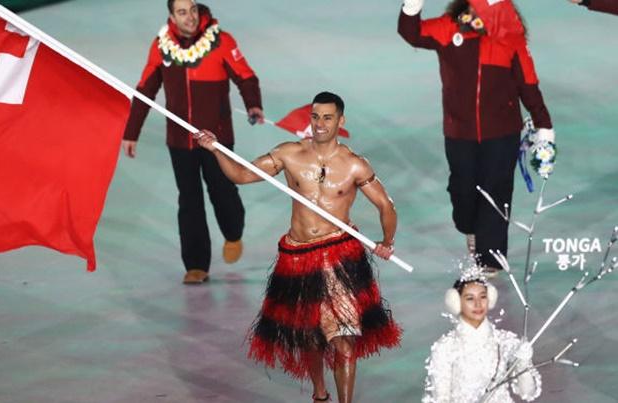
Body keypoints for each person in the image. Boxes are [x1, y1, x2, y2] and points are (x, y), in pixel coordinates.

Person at [195, 92, 402, 403]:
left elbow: (386, 205)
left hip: (340, 257)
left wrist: (387, 243)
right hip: (297, 257)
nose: (320, 124)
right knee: (309, 336)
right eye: (315, 117)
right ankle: (320, 394)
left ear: (340, 121)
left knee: (344, 337)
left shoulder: (355, 165)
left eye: (328, 118)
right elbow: (241, 174)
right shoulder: (290, 154)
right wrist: (215, 150)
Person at [398, 0, 555, 274]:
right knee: (462, 189)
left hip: (503, 131)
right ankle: (470, 228)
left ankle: (491, 258)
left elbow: (528, 83)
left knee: (497, 190)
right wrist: (411, 6)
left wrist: (543, 124)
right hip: (460, 131)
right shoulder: (449, 28)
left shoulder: (510, 35)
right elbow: (412, 33)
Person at [122, 0, 265, 284]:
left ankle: (233, 233)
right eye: (182, 12)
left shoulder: (221, 41)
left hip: (217, 139)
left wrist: (253, 105)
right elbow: (145, 88)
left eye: (193, 10)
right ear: (172, 16)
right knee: (189, 201)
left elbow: (246, 76)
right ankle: (196, 265)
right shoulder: (161, 46)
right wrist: (131, 132)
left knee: (223, 192)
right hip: (179, 140)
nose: (189, 17)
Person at [422, 266, 541, 402]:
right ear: (456, 302)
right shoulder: (445, 347)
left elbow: (527, 393)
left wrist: (523, 363)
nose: (478, 304)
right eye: (470, 298)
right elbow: (440, 399)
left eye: (483, 297)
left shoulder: (505, 341)